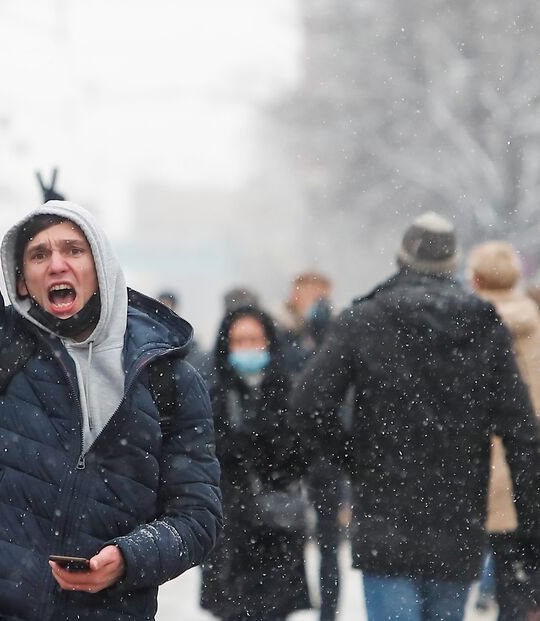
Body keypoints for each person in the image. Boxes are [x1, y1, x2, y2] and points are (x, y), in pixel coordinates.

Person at [0, 35, 221, 621]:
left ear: (100, 267)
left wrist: (126, 559)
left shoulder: (169, 376)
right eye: (38, 255)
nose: (57, 263)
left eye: (73, 250)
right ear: (23, 280)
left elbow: (198, 517)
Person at [293, 212, 540, 621]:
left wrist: (354, 456)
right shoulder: (483, 324)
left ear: (400, 258)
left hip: (384, 515)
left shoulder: (364, 320)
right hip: (458, 517)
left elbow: (307, 406)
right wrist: (530, 533)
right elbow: (522, 434)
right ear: (452, 264)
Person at [201, 305, 310, 621]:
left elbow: (301, 455)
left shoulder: (289, 392)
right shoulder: (213, 393)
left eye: (255, 339)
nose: (248, 347)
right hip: (230, 529)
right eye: (240, 341)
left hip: (277, 526)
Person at [469, 240, 540, 619]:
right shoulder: (536, 317)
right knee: (527, 581)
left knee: (497, 575)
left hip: (482, 464)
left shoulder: (468, 327)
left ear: (476, 278)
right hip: (532, 463)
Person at [276, 270, 345, 621]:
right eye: (308, 293)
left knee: (330, 543)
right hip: (289, 450)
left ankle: (329, 612)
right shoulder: (281, 330)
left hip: (327, 451)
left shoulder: (337, 333)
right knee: (286, 533)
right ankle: (288, 602)